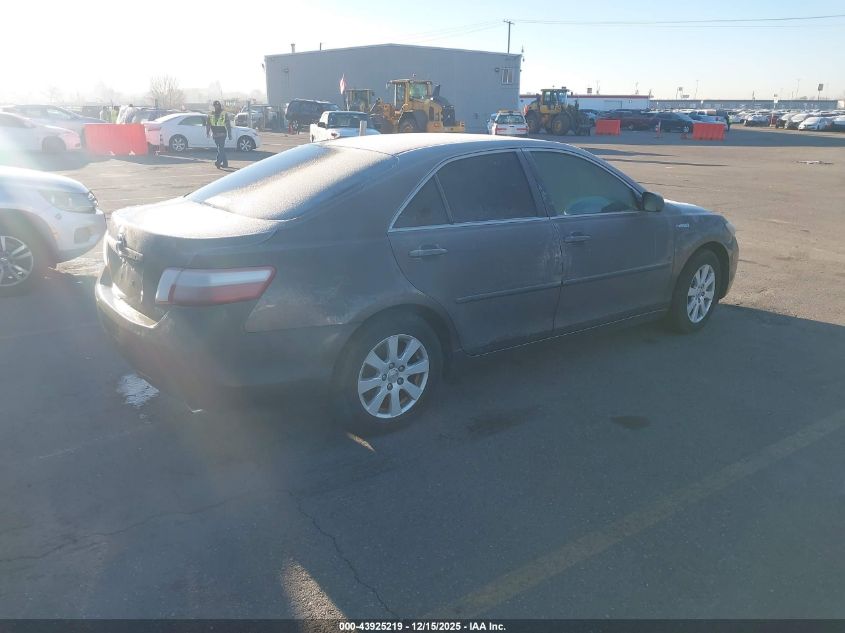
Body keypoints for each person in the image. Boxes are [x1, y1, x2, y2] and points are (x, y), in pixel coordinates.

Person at [206, 100, 232, 169]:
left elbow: (228, 124)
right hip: (215, 134)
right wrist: (207, 132)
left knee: (220, 149)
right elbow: (208, 124)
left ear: (219, 105)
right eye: (215, 105)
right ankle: (225, 164)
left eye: (217, 105)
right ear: (213, 106)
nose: (216, 107)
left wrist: (229, 134)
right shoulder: (211, 114)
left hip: (222, 134)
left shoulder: (223, 113)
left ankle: (218, 162)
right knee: (220, 149)